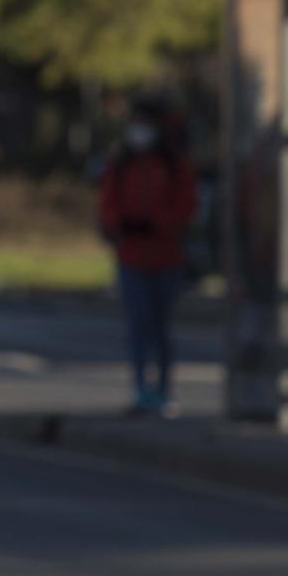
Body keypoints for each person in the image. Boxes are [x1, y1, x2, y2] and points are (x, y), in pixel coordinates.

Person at [98, 100, 197, 416]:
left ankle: (164, 389)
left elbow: (187, 205)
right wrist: (120, 225)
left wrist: (157, 223)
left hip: (166, 256)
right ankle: (141, 387)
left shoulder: (173, 164)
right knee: (138, 325)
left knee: (160, 327)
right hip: (132, 256)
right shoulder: (122, 164)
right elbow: (107, 205)